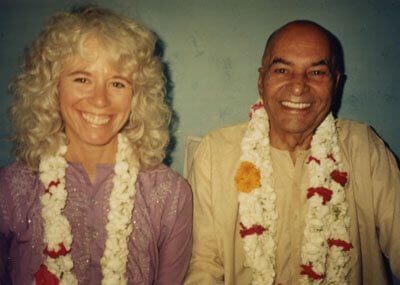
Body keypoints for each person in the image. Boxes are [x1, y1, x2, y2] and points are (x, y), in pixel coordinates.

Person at [185, 20, 399, 284]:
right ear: (261, 80)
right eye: (283, 70)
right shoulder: (216, 152)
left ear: (337, 83)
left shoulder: (363, 148)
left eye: (317, 72)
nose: (298, 86)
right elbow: (203, 266)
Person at [0, 6, 192, 285]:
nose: (100, 100)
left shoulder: (170, 195)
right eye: (82, 79)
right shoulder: (9, 191)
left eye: (117, 83)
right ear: (52, 86)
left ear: (137, 95)